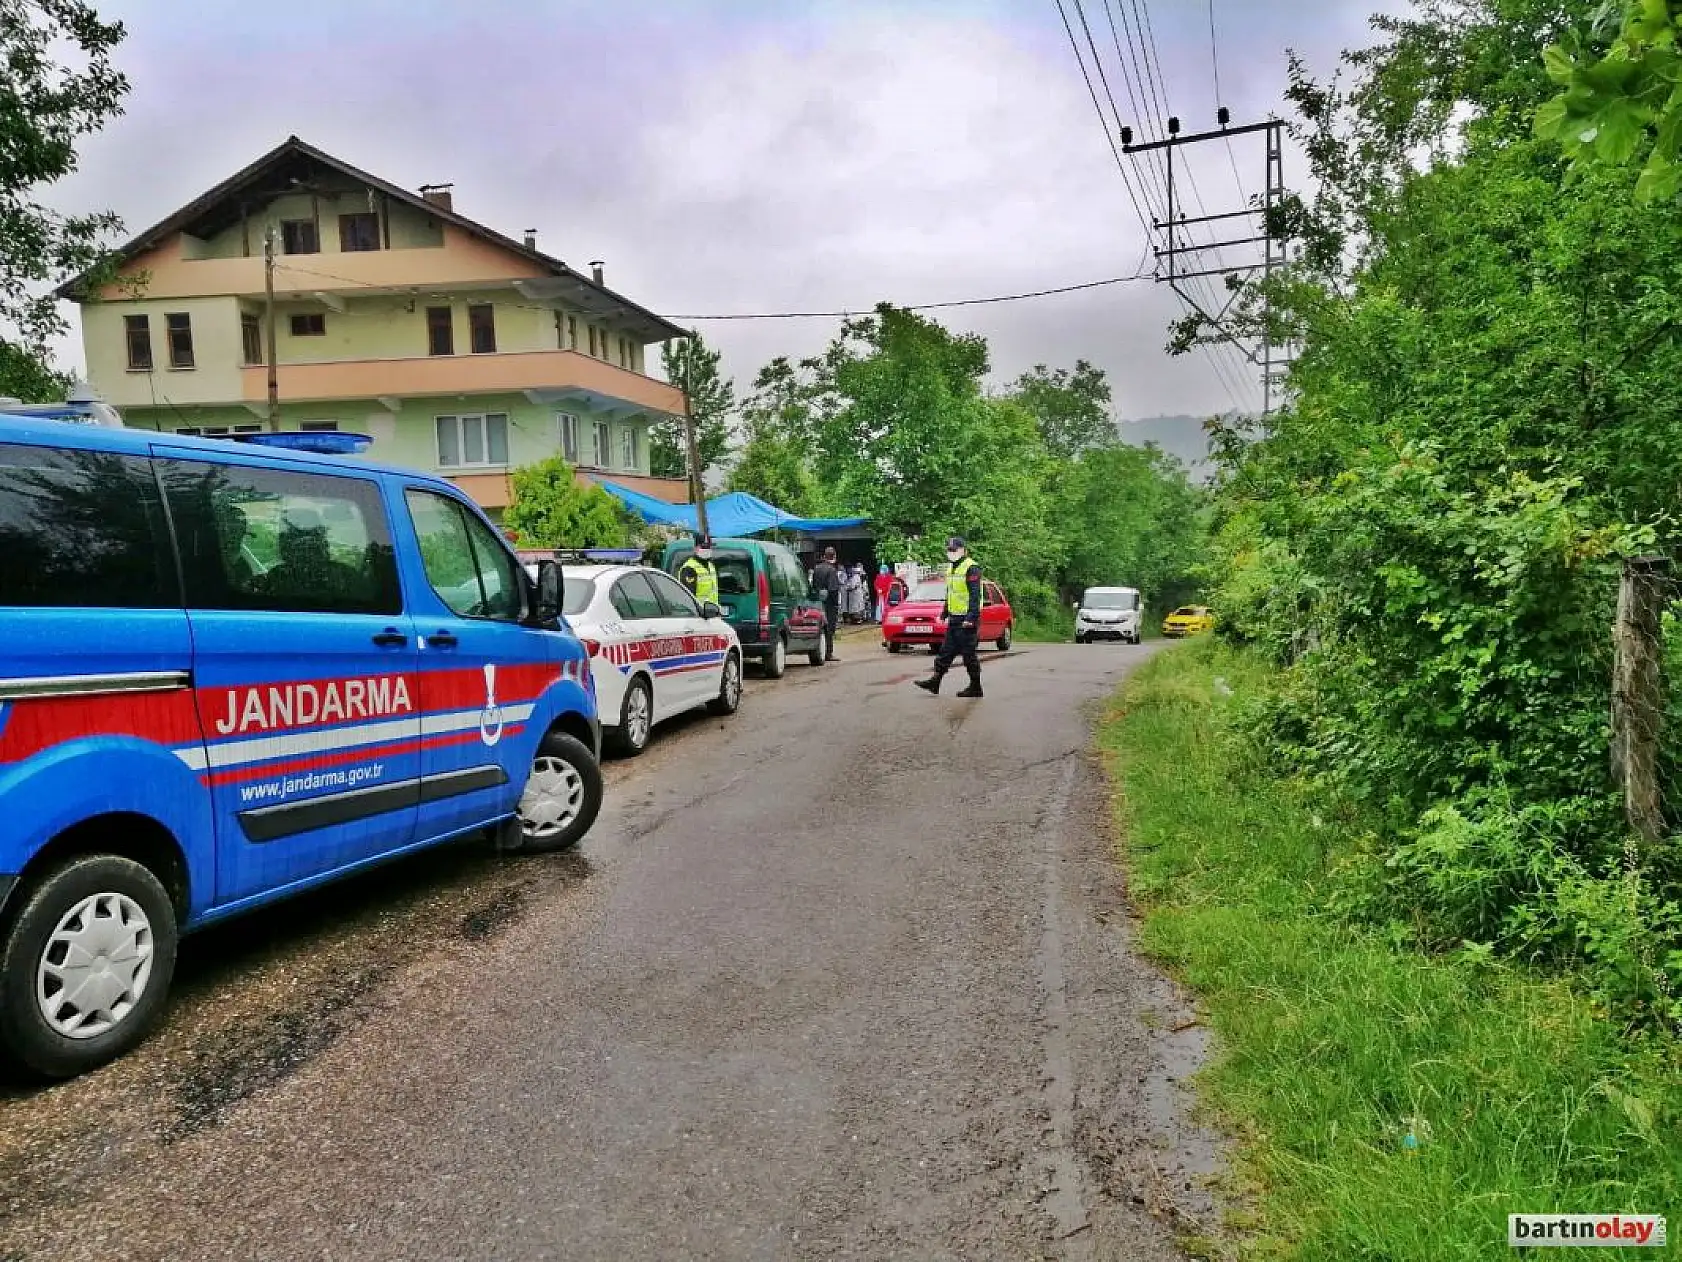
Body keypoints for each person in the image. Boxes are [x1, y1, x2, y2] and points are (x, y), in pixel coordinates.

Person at [914, 536, 984, 698]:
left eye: (955, 550)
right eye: (949, 550)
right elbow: (951, 593)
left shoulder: (971, 567)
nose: (951, 553)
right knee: (945, 652)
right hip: (954, 618)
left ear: (963, 550)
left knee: (968, 655)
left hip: (967, 620)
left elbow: (975, 595)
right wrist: (944, 613)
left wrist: (971, 617)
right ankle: (935, 682)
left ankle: (976, 687)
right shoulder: (951, 569)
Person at [811, 545, 842, 661]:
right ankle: (828, 653)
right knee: (829, 628)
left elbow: (813, 586)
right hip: (829, 604)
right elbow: (833, 589)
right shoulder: (832, 570)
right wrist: (835, 604)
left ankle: (819, 651)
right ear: (833, 556)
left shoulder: (817, 568)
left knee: (819, 627)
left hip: (818, 602)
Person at [678, 536, 720, 607]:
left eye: (709, 547)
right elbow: (688, 597)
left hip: (712, 612)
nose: (707, 550)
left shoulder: (710, 565)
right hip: (698, 614)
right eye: (704, 547)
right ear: (695, 548)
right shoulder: (689, 568)